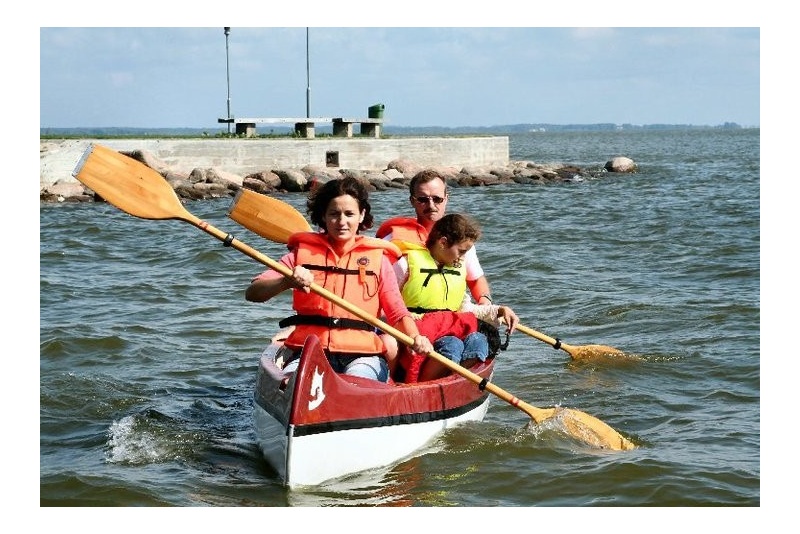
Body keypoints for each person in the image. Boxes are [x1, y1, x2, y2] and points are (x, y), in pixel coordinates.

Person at [245, 177, 434, 383]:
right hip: (309, 351)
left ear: (361, 215)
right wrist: (286, 282)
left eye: (349, 214)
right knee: (296, 383)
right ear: (323, 217)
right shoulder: (300, 255)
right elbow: (254, 293)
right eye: (334, 214)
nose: (342, 221)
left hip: (363, 356)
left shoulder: (378, 260)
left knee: (356, 381)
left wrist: (416, 338)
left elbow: (397, 313)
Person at [392, 213, 519, 382]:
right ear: (443, 242)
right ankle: (421, 386)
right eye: (461, 251)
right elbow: (387, 303)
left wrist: (500, 311)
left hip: (448, 328)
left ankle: (454, 384)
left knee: (479, 341)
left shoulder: (455, 269)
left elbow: (465, 310)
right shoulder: (405, 264)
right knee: (453, 345)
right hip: (417, 332)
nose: (463, 257)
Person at [375, 169, 493, 306]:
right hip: (410, 321)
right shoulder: (392, 240)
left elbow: (475, 279)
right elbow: (377, 287)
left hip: (451, 321)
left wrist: (485, 301)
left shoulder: (461, 241)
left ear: (446, 198)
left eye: (437, 199)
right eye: (422, 200)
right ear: (412, 201)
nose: (431, 206)